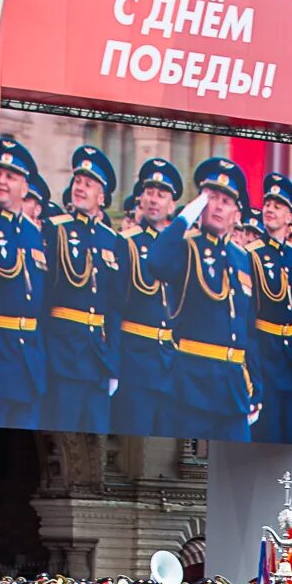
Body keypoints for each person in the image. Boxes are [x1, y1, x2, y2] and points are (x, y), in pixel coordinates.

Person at [145, 157, 259, 441]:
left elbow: (249, 329)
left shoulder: (243, 259)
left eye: (226, 201)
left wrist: (256, 387)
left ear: (236, 212)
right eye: (212, 198)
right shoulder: (186, 248)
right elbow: (155, 263)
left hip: (233, 387)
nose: (218, 206)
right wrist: (185, 217)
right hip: (191, 384)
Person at [41, 146, 123, 434]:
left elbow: (115, 307)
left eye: (88, 184)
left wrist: (112, 362)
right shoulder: (54, 229)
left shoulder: (113, 241)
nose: (80, 188)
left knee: (94, 440)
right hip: (62, 355)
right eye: (77, 181)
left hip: (97, 359)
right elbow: (43, 297)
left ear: (102, 197)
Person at [111, 158, 182, 438]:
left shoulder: (181, 247)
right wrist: (114, 366)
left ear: (172, 205)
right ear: (141, 197)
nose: (154, 200)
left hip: (171, 362)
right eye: (149, 192)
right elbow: (115, 307)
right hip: (136, 360)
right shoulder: (127, 243)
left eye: (161, 195)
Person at [0, 136, 47, 429]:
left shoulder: (32, 231)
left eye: (10, 177)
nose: (2, 181)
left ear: (24, 188)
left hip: (29, 357)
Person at [248, 172, 292, 444]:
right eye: (267, 203)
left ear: (289, 218)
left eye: (278, 205)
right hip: (264, 358)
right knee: (268, 440)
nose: (269, 209)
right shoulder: (252, 254)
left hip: (291, 361)